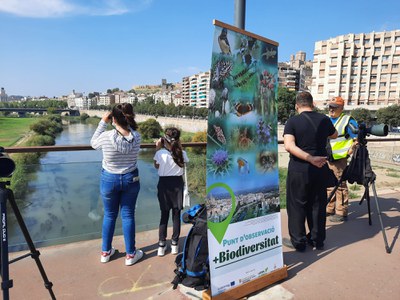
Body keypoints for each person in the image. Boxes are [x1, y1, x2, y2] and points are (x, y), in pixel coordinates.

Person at [283, 92, 338, 251]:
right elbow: (334, 134)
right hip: (320, 168)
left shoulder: (292, 121)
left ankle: (299, 242)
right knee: (318, 205)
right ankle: (317, 240)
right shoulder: (324, 119)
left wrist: (308, 158)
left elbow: (289, 146)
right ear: (312, 104)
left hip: (299, 169)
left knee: (296, 206)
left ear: (296, 106)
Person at [90, 103, 143, 266]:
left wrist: (102, 122)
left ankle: (105, 252)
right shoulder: (137, 137)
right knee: (128, 215)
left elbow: (93, 143)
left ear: (113, 118)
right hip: (130, 179)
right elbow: (127, 136)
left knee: (109, 214)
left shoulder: (106, 137)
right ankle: (130, 255)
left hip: (109, 179)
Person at [153, 127, 189, 256]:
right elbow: (183, 164)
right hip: (178, 184)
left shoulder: (160, 153)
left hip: (164, 185)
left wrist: (157, 148)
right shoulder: (182, 153)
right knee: (176, 215)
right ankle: (175, 244)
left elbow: (156, 166)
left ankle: (161, 245)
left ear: (164, 139)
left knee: (164, 215)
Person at [326, 96, 358, 222]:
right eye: (330, 106)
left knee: (340, 185)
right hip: (326, 156)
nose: (331, 109)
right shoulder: (326, 119)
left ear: (342, 108)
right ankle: (329, 208)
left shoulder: (347, 120)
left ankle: (341, 211)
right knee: (328, 184)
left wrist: (350, 151)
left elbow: (357, 138)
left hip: (339, 158)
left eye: (334, 107)